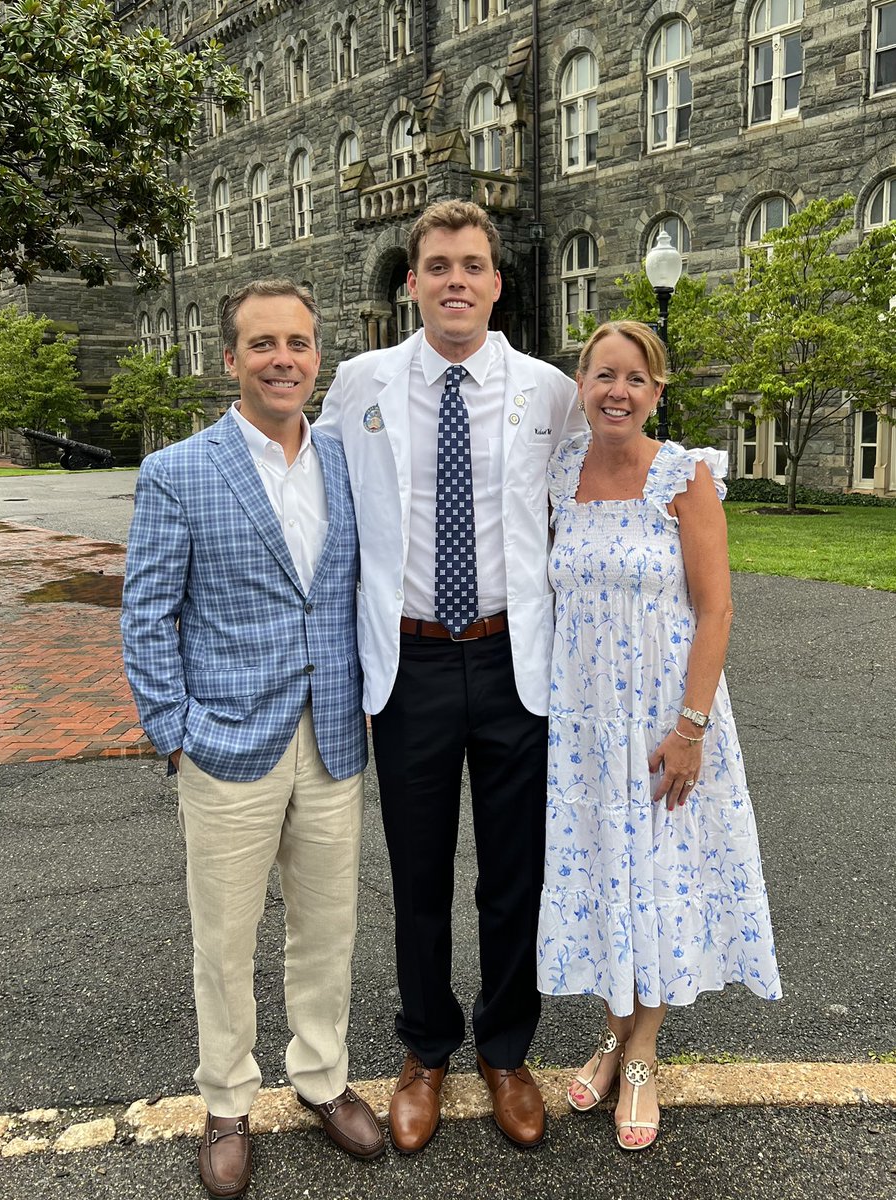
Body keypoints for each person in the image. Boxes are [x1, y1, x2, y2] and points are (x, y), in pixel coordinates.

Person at [315, 199, 585, 1152]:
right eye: (438, 265)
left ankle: (505, 1051)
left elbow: (593, 507)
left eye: (473, 264)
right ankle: (425, 1048)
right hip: (412, 659)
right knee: (419, 874)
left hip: (518, 661)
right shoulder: (360, 385)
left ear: (497, 282)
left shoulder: (550, 391)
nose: (456, 280)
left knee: (516, 874)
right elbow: (322, 508)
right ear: (415, 279)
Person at [121, 280, 384, 1199]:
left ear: (320, 356)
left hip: (334, 740)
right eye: (263, 343)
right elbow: (147, 612)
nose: (284, 359)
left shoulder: (350, 461)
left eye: (300, 343)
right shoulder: (178, 471)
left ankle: (320, 1077)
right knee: (224, 941)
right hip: (225, 743)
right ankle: (227, 1102)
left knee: (327, 930)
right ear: (230, 358)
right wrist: (176, 731)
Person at [536, 320, 781, 1151]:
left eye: (636, 378)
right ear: (581, 383)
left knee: (659, 871)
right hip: (582, 725)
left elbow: (717, 607)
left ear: (657, 391)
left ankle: (641, 1051)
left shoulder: (685, 476)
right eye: (604, 373)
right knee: (607, 871)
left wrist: (691, 728)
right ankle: (614, 1028)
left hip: (663, 721)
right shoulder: (562, 471)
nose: (618, 390)